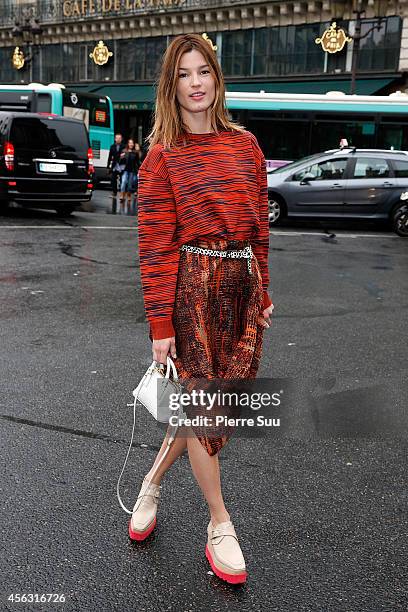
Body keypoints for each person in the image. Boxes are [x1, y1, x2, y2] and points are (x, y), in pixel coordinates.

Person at [132, 33, 274, 585]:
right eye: (184, 74)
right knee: (202, 408)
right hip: (191, 283)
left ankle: (151, 481)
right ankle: (220, 524)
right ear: (172, 85)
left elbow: (260, 230)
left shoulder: (246, 146)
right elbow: (154, 246)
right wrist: (160, 323)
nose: (196, 83)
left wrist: (261, 291)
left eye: (204, 72)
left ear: (217, 78)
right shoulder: (162, 156)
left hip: (240, 284)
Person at [118, 138, 140, 214]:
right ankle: (122, 196)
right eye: (130, 143)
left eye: (132, 143)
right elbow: (120, 161)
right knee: (123, 182)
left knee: (130, 184)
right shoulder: (124, 151)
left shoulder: (135, 152)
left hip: (132, 171)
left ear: (133, 144)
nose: (131, 144)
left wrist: (138, 170)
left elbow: (137, 162)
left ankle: (129, 195)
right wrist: (121, 157)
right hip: (125, 170)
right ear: (128, 144)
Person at [107, 134, 125, 210]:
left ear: (121, 139)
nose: (118, 139)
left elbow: (126, 155)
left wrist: (124, 156)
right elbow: (110, 156)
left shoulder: (124, 147)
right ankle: (114, 192)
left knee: (122, 180)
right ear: (115, 139)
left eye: (119, 138)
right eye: (116, 138)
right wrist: (108, 166)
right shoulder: (112, 146)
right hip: (115, 165)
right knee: (113, 179)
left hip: (121, 165)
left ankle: (121, 194)